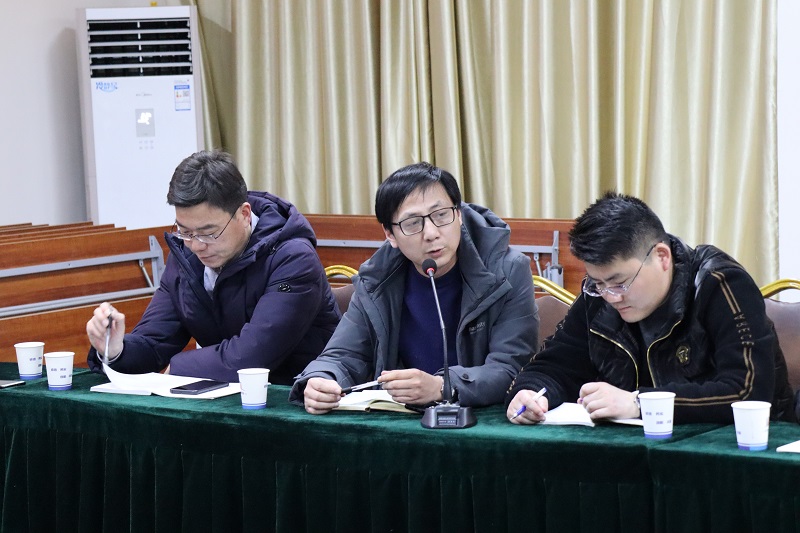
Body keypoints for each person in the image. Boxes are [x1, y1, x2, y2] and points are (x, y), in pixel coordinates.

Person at [506, 192, 795, 424]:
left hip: (737, 450)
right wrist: (530, 392)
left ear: (662, 257)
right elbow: (556, 364)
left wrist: (640, 403)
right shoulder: (598, 294)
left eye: (620, 282)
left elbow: (748, 391)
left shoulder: (719, 283)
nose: (611, 297)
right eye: (598, 283)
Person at [290, 162, 539, 413]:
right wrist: (322, 379)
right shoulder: (376, 280)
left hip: (476, 419)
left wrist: (443, 386)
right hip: (398, 419)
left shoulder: (507, 271)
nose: (431, 233)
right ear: (390, 235)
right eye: (412, 223)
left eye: (441, 215)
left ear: (459, 215)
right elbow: (343, 355)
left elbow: (510, 368)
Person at [85, 150, 340, 384]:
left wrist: (181, 367)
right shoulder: (186, 256)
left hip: (299, 396)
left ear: (244, 214)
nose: (197, 246)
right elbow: (155, 342)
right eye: (185, 231)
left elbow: (252, 357)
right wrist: (116, 350)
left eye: (209, 233)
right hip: (227, 398)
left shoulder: (293, 258)